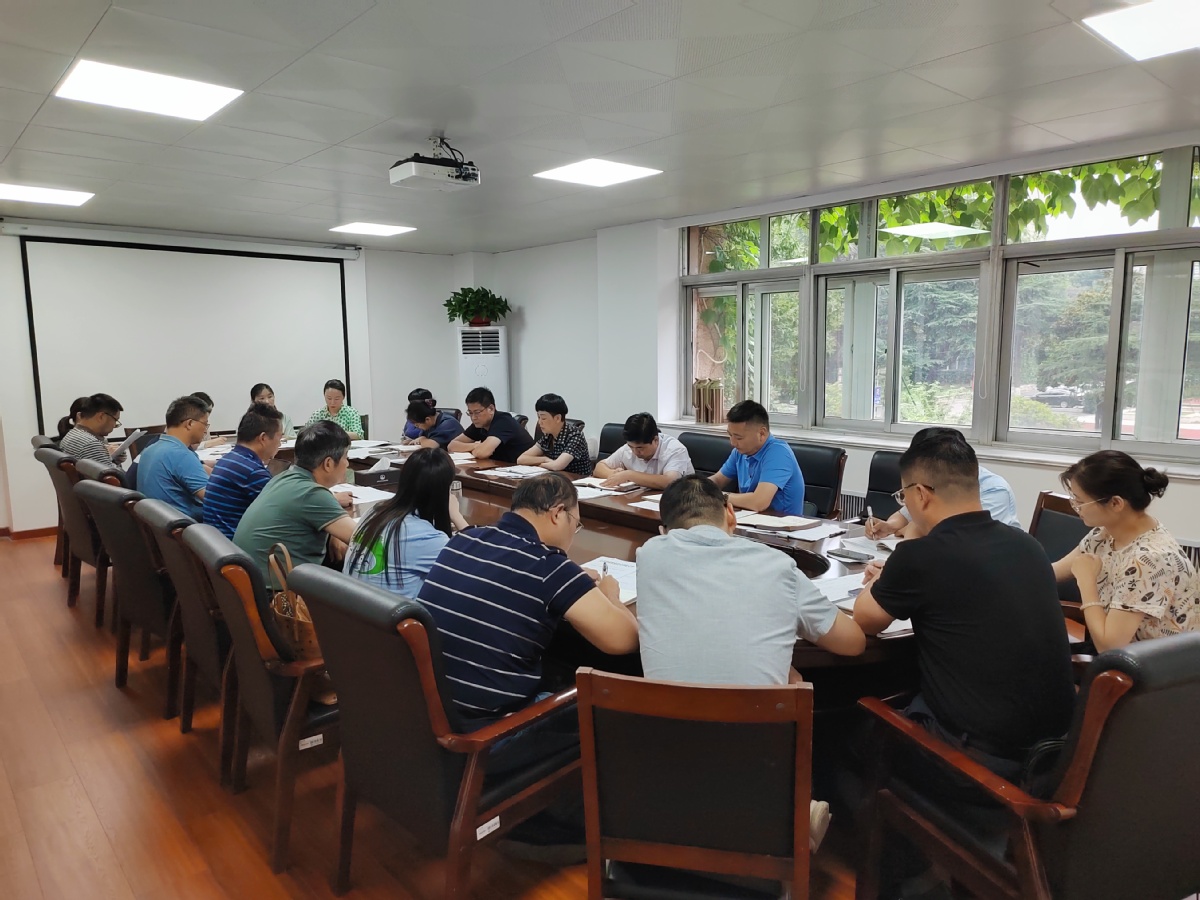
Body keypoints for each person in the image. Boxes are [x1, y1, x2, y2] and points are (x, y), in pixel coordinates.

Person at [849, 428, 1074, 899]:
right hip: (1053, 755)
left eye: (903, 496)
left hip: (978, 764)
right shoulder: (1028, 546)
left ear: (921, 494)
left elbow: (866, 620)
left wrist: (881, 579)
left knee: (852, 724)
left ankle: (899, 877)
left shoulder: (922, 555)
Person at [637, 475, 866, 850]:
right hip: (760, 761)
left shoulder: (649, 555)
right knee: (795, 682)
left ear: (663, 531)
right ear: (731, 513)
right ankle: (791, 810)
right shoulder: (776, 565)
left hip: (667, 756)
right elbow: (853, 643)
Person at [418, 472, 638, 724]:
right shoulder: (549, 566)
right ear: (558, 513)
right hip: (488, 729)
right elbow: (625, 640)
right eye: (576, 524)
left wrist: (573, 580)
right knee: (604, 707)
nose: (573, 533)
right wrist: (611, 595)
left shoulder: (465, 538)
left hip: (428, 711)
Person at [1053, 450, 1200, 650]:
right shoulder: (1105, 534)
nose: (1075, 507)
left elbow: (1108, 647)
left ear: (1116, 503)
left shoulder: (1151, 559)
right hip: (1122, 652)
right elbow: (1053, 572)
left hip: (1154, 663)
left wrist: (1086, 582)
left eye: (1080, 502)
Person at [233, 420, 357, 579]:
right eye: (346, 457)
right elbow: (363, 540)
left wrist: (334, 533)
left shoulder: (282, 478)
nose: (347, 464)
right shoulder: (312, 494)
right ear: (328, 464)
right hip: (278, 591)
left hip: (250, 582)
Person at [344, 448, 469, 598]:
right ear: (444, 490)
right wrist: (457, 516)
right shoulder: (425, 538)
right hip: (394, 612)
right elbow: (476, 568)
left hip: (353, 608)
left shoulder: (374, 512)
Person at [866, 428, 1020, 539]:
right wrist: (890, 526)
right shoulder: (929, 482)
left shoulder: (995, 489)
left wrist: (912, 529)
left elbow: (962, 535)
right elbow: (904, 516)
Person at [201, 403, 284, 539]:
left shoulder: (228, 459)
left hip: (217, 544)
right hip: (234, 547)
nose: (279, 444)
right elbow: (284, 513)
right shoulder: (252, 471)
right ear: (263, 438)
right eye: (279, 438)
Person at [709, 400, 805, 515]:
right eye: (730, 435)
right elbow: (718, 480)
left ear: (761, 433)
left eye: (739, 438)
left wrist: (720, 496)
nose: (732, 443)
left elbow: (759, 502)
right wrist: (696, 488)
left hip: (781, 524)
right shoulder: (739, 452)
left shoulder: (779, 453)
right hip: (748, 520)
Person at [136, 395, 212, 520]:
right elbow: (214, 499)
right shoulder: (181, 455)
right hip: (185, 526)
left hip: (157, 524)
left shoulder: (150, 449)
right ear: (190, 423)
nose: (205, 430)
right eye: (205, 424)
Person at [593, 412, 694, 489]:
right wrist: (614, 475)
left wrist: (629, 475)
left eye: (640, 448)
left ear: (655, 440)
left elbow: (670, 482)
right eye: (631, 447)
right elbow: (599, 468)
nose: (635, 452)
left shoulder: (675, 450)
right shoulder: (630, 448)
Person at [448, 386, 534, 464]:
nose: (473, 417)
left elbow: (482, 453)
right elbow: (452, 446)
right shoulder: (479, 424)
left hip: (524, 469)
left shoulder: (503, 421)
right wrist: (476, 445)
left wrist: (478, 448)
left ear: (491, 409)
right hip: (500, 468)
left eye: (477, 412)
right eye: (470, 413)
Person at [517, 393, 592, 475]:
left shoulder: (575, 435)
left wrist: (537, 463)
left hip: (576, 480)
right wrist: (544, 459)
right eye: (538, 417)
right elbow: (521, 459)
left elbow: (557, 466)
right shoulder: (548, 436)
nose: (539, 422)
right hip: (556, 478)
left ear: (557, 418)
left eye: (543, 418)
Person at [58, 393, 128, 466]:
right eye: (115, 420)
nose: (114, 425)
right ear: (101, 416)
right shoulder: (90, 444)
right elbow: (113, 473)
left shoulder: (72, 435)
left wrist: (111, 458)